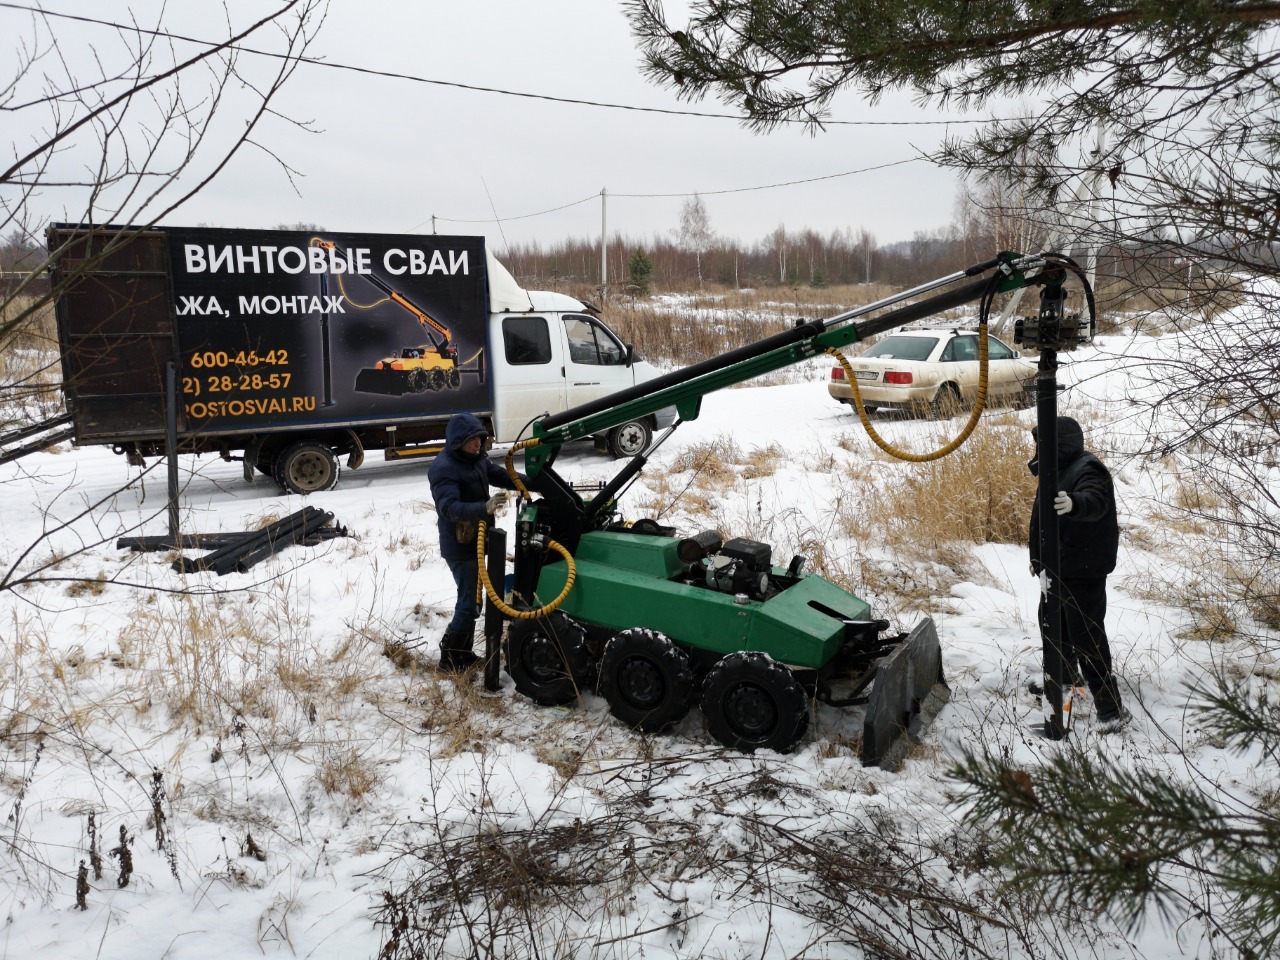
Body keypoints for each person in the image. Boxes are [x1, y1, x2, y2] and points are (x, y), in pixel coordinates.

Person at [1028, 416, 1128, 728]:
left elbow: (1096, 499)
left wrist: (1074, 503)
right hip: (1059, 567)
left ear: (1060, 444)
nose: (1037, 449)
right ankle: (1065, 682)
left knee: (1086, 636)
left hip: (1081, 570)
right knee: (1054, 627)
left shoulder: (1087, 468)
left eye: (1042, 443)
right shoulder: (1057, 468)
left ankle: (1110, 709)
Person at [427, 413, 524, 671]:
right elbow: (448, 508)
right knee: (469, 602)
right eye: (472, 440)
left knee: (473, 601)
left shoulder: (475, 459)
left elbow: (499, 475)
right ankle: (450, 658)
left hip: (477, 540)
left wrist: (531, 482)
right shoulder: (443, 468)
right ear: (459, 441)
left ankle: (462, 654)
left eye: (480, 438)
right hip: (460, 546)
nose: (478, 444)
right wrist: (485, 507)